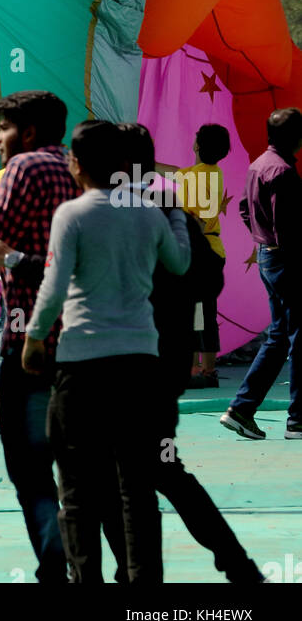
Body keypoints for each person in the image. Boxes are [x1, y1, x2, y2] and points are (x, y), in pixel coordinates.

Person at [23, 120, 190, 583]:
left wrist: (35, 338)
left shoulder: (72, 215)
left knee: (76, 487)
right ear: (122, 164)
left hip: (83, 364)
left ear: (74, 164)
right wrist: (174, 212)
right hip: (139, 363)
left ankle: (86, 577)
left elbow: (53, 289)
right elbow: (179, 262)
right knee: (136, 488)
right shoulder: (148, 212)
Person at [104, 123, 263, 584]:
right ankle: (234, 566)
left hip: (125, 363)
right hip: (164, 361)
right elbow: (206, 279)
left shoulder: (100, 212)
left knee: (128, 475)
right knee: (159, 469)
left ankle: (139, 573)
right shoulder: (172, 205)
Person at [0, 90, 76, 584]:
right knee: (76, 465)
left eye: (2, 130)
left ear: (25, 132)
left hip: (31, 342)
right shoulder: (74, 166)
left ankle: (53, 564)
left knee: (29, 466)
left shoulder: (24, 168)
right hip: (80, 338)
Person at [221, 107, 302, 442]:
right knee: (298, 338)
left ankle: (242, 409)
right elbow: (289, 230)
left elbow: (244, 209)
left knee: (279, 337)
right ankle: (297, 420)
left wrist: (262, 238)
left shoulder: (258, 165)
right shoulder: (282, 172)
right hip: (287, 261)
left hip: (268, 258)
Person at [176, 123, 231, 387]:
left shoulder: (194, 177)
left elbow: (194, 221)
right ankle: (207, 371)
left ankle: (196, 370)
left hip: (199, 251)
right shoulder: (213, 173)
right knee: (206, 312)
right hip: (214, 250)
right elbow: (174, 172)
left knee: (190, 312)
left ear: (196, 145)